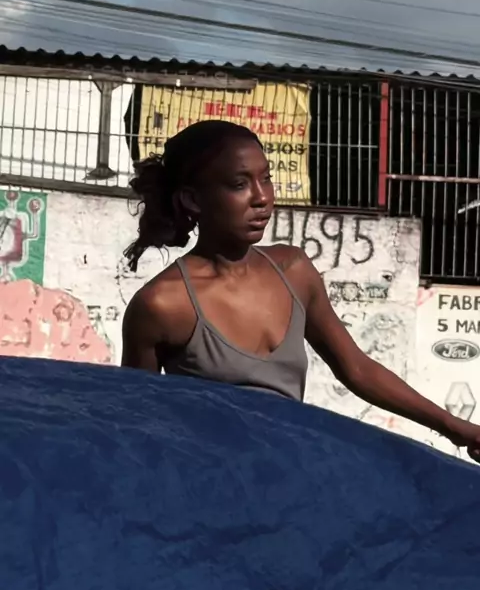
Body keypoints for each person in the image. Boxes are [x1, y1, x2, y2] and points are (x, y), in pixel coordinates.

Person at [122, 120, 480, 459]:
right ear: (193, 200)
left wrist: (455, 427)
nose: (262, 198)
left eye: (266, 179)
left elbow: (357, 369)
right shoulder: (162, 304)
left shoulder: (293, 270)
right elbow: (136, 421)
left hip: (294, 476)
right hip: (211, 485)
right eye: (239, 184)